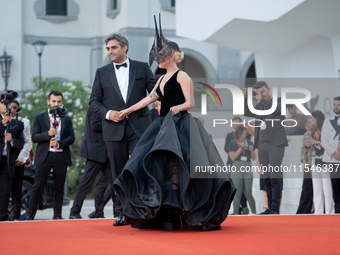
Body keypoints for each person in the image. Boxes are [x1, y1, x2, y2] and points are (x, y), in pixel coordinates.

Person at [114, 14, 236, 231]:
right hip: (162, 126)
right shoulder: (160, 79)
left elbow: (190, 102)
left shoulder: (183, 76)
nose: (157, 59)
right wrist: (127, 110)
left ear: (170, 57)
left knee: (180, 167)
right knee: (160, 165)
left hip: (180, 126)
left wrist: (178, 107)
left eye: (160, 55)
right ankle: (165, 211)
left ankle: (181, 211)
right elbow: (148, 99)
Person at [89, 33, 156, 226]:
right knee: (118, 172)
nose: (110, 51)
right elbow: (94, 101)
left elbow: (155, 93)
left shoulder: (142, 67)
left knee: (139, 167)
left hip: (140, 127)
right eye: (108, 48)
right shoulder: (101, 72)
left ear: (125, 47)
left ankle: (144, 209)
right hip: (113, 128)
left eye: (113, 48)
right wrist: (109, 113)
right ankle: (121, 212)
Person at [26, 91, 75, 220]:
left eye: (59, 101)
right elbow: (35, 137)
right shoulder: (40, 117)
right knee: (38, 186)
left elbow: (71, 138)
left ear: (62, 102)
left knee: (59, 187)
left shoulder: (66, 119)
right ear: (48, 102)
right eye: (53, 101)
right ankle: (30, 216)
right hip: (45, 156)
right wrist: (47, 134)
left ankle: (57, 216)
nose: (56, 104)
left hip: (60, 156)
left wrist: (59, 143)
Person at [242, 81, 288, 215]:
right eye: (258, 92)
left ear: (268, 89)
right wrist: (245, 99)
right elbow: (247, 112)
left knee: (275, 176)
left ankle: (275, 208)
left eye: (263, 91)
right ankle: (269, 207)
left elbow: (276, 110)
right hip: (261, 145)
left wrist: (261, 99)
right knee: (266, 177)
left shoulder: (278, 101)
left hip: (275, 145)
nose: (260, 94)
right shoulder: (259, 105)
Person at [69, 108, 113, 219]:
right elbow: (95, 125)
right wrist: (113, 120)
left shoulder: (108, 106)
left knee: (116, 183)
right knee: (86, 183)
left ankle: (118, 212)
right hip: (95, 152)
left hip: (107, 152)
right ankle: (74, 212)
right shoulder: (96, 108)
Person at [0, 96, 25, 221]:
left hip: (7, 161)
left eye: (8, 104)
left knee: (4, 192)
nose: (6, 106)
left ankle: (2, 219)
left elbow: (21, 143)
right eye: (3, 103)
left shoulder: (17, 124)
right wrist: (2, 124)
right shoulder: (2, 121)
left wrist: (12, 141)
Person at [305, 110, 333, 214]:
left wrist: (316, 142)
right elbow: (313, 149)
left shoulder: (325, 130)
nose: (309, 120)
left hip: (325, 160)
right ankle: (318, 211)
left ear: (317, 119)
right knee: (317, 189)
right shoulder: (312, 133)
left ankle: (330, 211)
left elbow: (328, 146)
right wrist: (309, 146)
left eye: (311, 118)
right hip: (315, 159)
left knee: (327, 189)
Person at [8, 100, 33, 221]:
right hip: (4, 160)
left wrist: (22, 158)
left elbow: (28, 142)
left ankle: (16, 217)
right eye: (9, 107)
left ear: (18, 109)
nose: (11, 109)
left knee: (17, 189)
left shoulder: (23, 122)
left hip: (18, 159)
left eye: (14, 107)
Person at [224, 116, 251, 214]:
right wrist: (234, 155)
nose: (236, 124)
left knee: (243, 186)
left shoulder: (246, 135)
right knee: (234, 186)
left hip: (244, 164)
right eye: (234, 123)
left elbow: (249, 148)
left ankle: (244, 206)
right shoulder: (229, 136)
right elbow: (226, 149)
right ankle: (237, 208)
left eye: (237, 122)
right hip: (232, 163)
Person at [228, 126, 256, 214]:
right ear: (238, 134)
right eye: (242, 134)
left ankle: (255, 212)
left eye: (245, 134)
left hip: (247, 166)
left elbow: (254, 158)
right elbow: (232, 157)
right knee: (237, 192)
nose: (244, 136)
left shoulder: (249, 142)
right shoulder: (232, 143)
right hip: (236, 167)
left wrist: (251, 150)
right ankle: (235, 212)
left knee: (248, 192)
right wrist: (240, 148)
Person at [321, 96, 340, 213]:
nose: (335, 107)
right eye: (334, 105)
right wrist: (334, 152)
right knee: (335, 184)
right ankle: (338, 208)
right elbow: (324, 140)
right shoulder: (327, 121)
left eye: (338, 105)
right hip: (332, 159)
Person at [296, 121, 314, 214]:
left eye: (313, 119)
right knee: (306, 189)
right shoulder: (307, 134)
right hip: (308, 164)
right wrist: (306, 164)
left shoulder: (321, 133)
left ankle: (316, 209)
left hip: (319, 164)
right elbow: (303, 153)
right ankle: (303, 212)